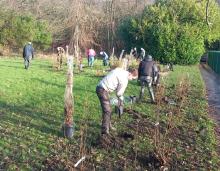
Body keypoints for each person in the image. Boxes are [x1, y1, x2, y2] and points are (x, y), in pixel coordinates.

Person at [96, 67, 138, 135]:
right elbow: (119, 93)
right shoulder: (125, 80)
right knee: (107, 111)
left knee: (107, 110)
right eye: (133, 78)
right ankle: (105, 131)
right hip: (102, 90)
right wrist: (121, 99)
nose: (131, 80)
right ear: (130, 74)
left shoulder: (121, 70)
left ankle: (108, 126)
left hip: (100, 87)